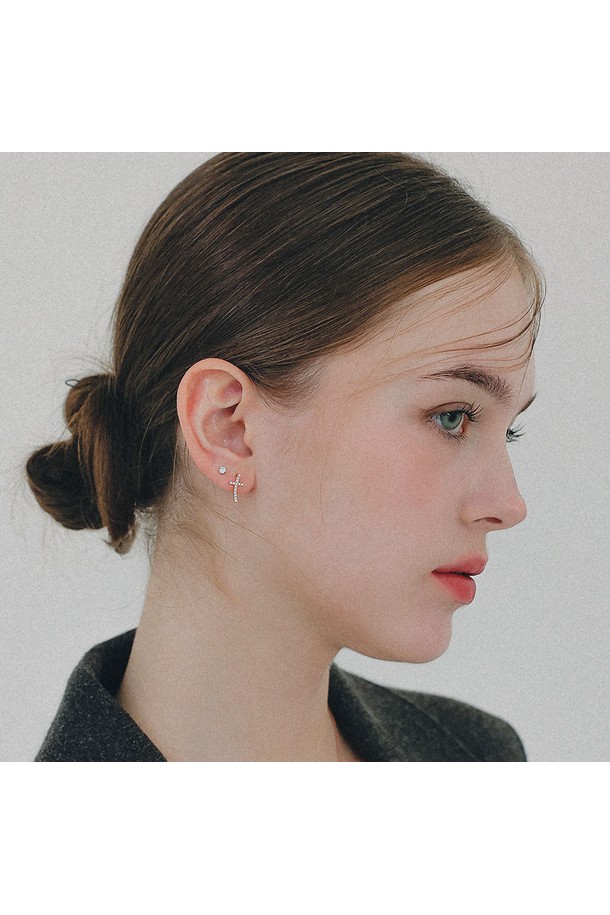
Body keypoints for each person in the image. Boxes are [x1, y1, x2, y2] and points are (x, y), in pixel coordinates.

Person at [27, 153, 543, 762]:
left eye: (509, 432)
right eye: (451, 417)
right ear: (229, 428)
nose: (510, 505)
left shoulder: (479, 756)